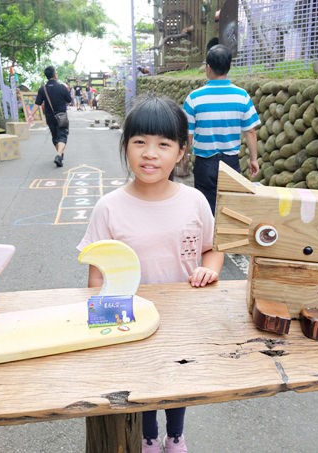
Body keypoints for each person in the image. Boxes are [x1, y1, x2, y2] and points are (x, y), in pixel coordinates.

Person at [77, 94, 224, 453]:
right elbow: (97, 272)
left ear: (181, 150)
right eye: (139, 142)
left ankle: (175, 435)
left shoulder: (194, 201)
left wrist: (209, 270)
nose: (150, 153)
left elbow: (212, 247)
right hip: (130, 316)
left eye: (163, 144)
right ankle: (147, 437)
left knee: (178, 377)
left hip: (184, 316)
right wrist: (102, 319)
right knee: (139, 380)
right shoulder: (108, 208)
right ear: (125, 146)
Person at [183, 44, 261, 214]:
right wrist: (253, 159)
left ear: (208, 68)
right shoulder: (242, 96)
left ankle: (208, 239)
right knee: (229, 208)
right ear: (229, 67)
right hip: (231, 162)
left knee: (205, 208)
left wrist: (185, 155)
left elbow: (187, 135)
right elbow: (250, 131)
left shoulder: (194, 98)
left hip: (204, 163)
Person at [35, 66, 72, 167]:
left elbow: (37, 104)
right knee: (62, 136)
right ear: (55, 74)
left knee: (55, 137)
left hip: (50, 117)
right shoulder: (62, 87)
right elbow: (69, 100)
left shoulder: (43, 89)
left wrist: (30, 116)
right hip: (61, 117)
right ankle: (59, 155)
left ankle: (59, 155)